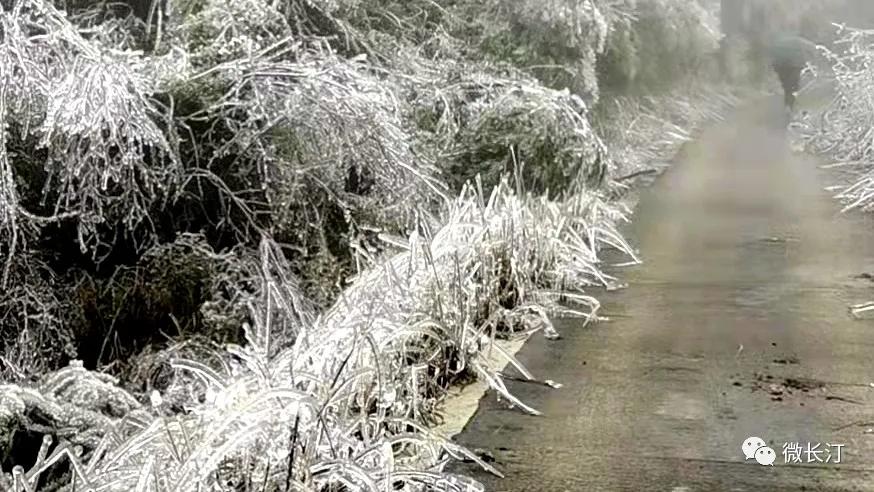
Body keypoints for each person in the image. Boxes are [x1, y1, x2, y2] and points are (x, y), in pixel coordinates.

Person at [767, 33, 819, 114]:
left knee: (786, 85)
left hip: (781, 67)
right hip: (794, 66)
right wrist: (811, 60)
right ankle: (790, 104)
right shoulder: (800, 42)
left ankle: (788, 104)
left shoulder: (780, 42)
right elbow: (813, 48)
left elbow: (772, 54)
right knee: (793, 86)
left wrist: (773, 66)